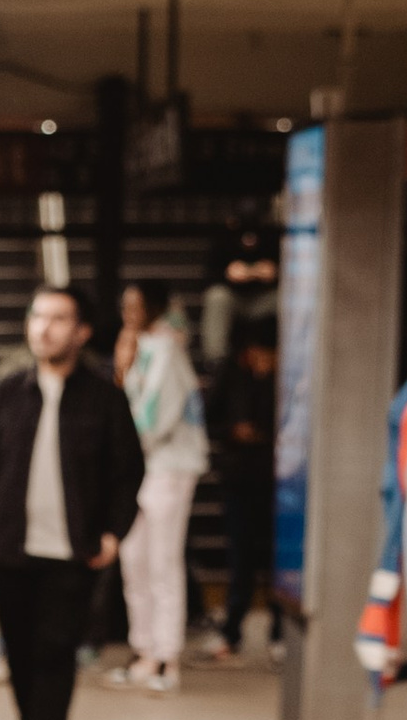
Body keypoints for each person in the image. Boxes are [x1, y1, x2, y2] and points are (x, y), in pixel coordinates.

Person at [0, 283, 145, 720]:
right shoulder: (7, 393)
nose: (44, 327)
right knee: (18, 650)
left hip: (73, 551)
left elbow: (128, 470)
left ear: (81, 332)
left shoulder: (105, 398)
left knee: (56, 651)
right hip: (12, 547)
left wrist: (113, 532)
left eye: (58, 319)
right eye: (37, 316)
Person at [108, 282, 209, 692]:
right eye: (125, 304)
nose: (129, 312)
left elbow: (155, 416)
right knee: (134, 560)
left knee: (163, 561)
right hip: (139, 467)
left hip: (168, 466)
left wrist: (124, 448)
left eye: (137, 304)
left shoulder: (168, 349)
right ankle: (144, 651)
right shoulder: (139, 346)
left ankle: (168, 657)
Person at [202, 282, 281, 657]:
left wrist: (265, 432)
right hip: (238, 476)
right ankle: (232, 631)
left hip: (278, 479)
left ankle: (280, 631)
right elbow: (209, 419)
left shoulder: (288, 380)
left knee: (277, 558)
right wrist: (233, 432)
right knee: (241, 557)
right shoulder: (230, 376)